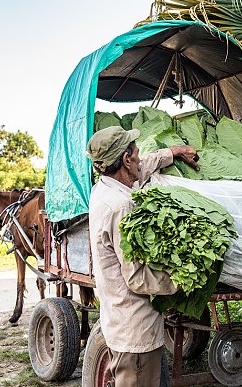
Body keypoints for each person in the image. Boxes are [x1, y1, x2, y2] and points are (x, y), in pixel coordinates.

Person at [86, 125, 200, 387]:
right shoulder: (121, 206)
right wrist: (183, 281)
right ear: (126, 160)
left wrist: (173, 153)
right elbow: (137, 277)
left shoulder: (104, 189)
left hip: (122, 323)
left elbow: (142, 166)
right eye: (136, 152)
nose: (139, 157)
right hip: (135, 331)